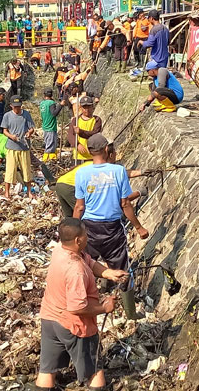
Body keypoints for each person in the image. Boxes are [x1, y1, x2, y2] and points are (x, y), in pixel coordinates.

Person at [36, 217, 128, 391]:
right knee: (94, 370)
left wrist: (108, 273)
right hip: (74, 326)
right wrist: (104, 308)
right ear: (78, 240)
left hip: (50, 320)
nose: (88, 236)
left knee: (47, 369)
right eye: (86, 234)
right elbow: (77, 307)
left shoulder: (60, 250)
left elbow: (89, 261)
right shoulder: (75, 270)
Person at [73, 134, 149, 320]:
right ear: (107, 149)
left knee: (83, 265)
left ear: (90, 152)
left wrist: (75, 231)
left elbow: (79, 206)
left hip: (89, 229)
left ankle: (83, 305)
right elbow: (125, 204)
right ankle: (131, 314)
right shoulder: (118, 171)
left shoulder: (81, 173)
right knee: (123, 269)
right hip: (113, 230)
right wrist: (139, 228)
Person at [56, 142, 143, 217]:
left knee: (70, 217)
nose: (116, 157)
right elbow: (121, 175)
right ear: (111, 155)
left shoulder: (92, 163)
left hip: (60, 184)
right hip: (69, 186)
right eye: (115, 154)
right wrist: (140, 173)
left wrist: (141, 172)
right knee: (86, 213)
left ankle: (69, 234)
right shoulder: (102, 168)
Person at [1, 95, 36, 199]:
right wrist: (12, 137)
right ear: (11, 106)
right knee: (10, 170)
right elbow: (5, 131)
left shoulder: (26, 115)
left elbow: (31, 128)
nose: (17, 109)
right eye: (15, 107)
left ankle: (29, 191)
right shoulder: (7, 116)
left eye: (19, 107)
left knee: (26, 169)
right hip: (12, 147)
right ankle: (6, 192)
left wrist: (29, 133)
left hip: (24, 147)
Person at [68, 96, 102, 162]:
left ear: (92, 107)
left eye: (88, 107)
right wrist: (77, 145)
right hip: (78, 156)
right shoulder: (76, 120)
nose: (86, 109)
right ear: (81, 108)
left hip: (92, 156)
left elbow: (94, 134)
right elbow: (70, 135)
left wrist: (81, 132)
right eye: (84, 107)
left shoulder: (97, 120)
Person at [40, 88, 67, 161]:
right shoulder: (51, 103)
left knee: (48, 144)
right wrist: (60, 105)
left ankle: (48, 160)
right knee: (50, 147)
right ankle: (48, 161)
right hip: (51, 128)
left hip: (45, 127)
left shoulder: (42, 103)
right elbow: (54, 113)